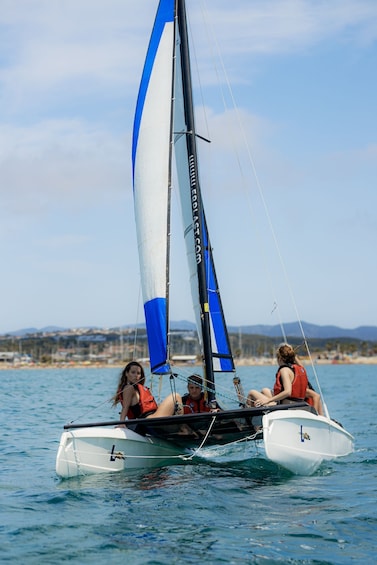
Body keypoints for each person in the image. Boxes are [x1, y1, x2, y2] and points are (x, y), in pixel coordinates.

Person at [112, 361, 183, 423]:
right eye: (133, 372)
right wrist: (122, 423)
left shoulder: (137, 388)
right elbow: (125, 407)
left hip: (152, 417)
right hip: (149, 421)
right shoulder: (129, 388)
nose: (136, 375)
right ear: (126, 374)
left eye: (138, 373)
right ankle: (182, 426)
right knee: (176, 396)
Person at [246, 343, 308, 408]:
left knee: (251, 393)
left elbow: (288, 392)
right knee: (265, 390)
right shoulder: (299, 368)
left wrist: (268, 400)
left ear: (280, 359)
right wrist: (291, 353)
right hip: (298, 403)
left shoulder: (284, 370)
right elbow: (301, 366)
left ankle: (248, 416)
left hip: (287, 405)